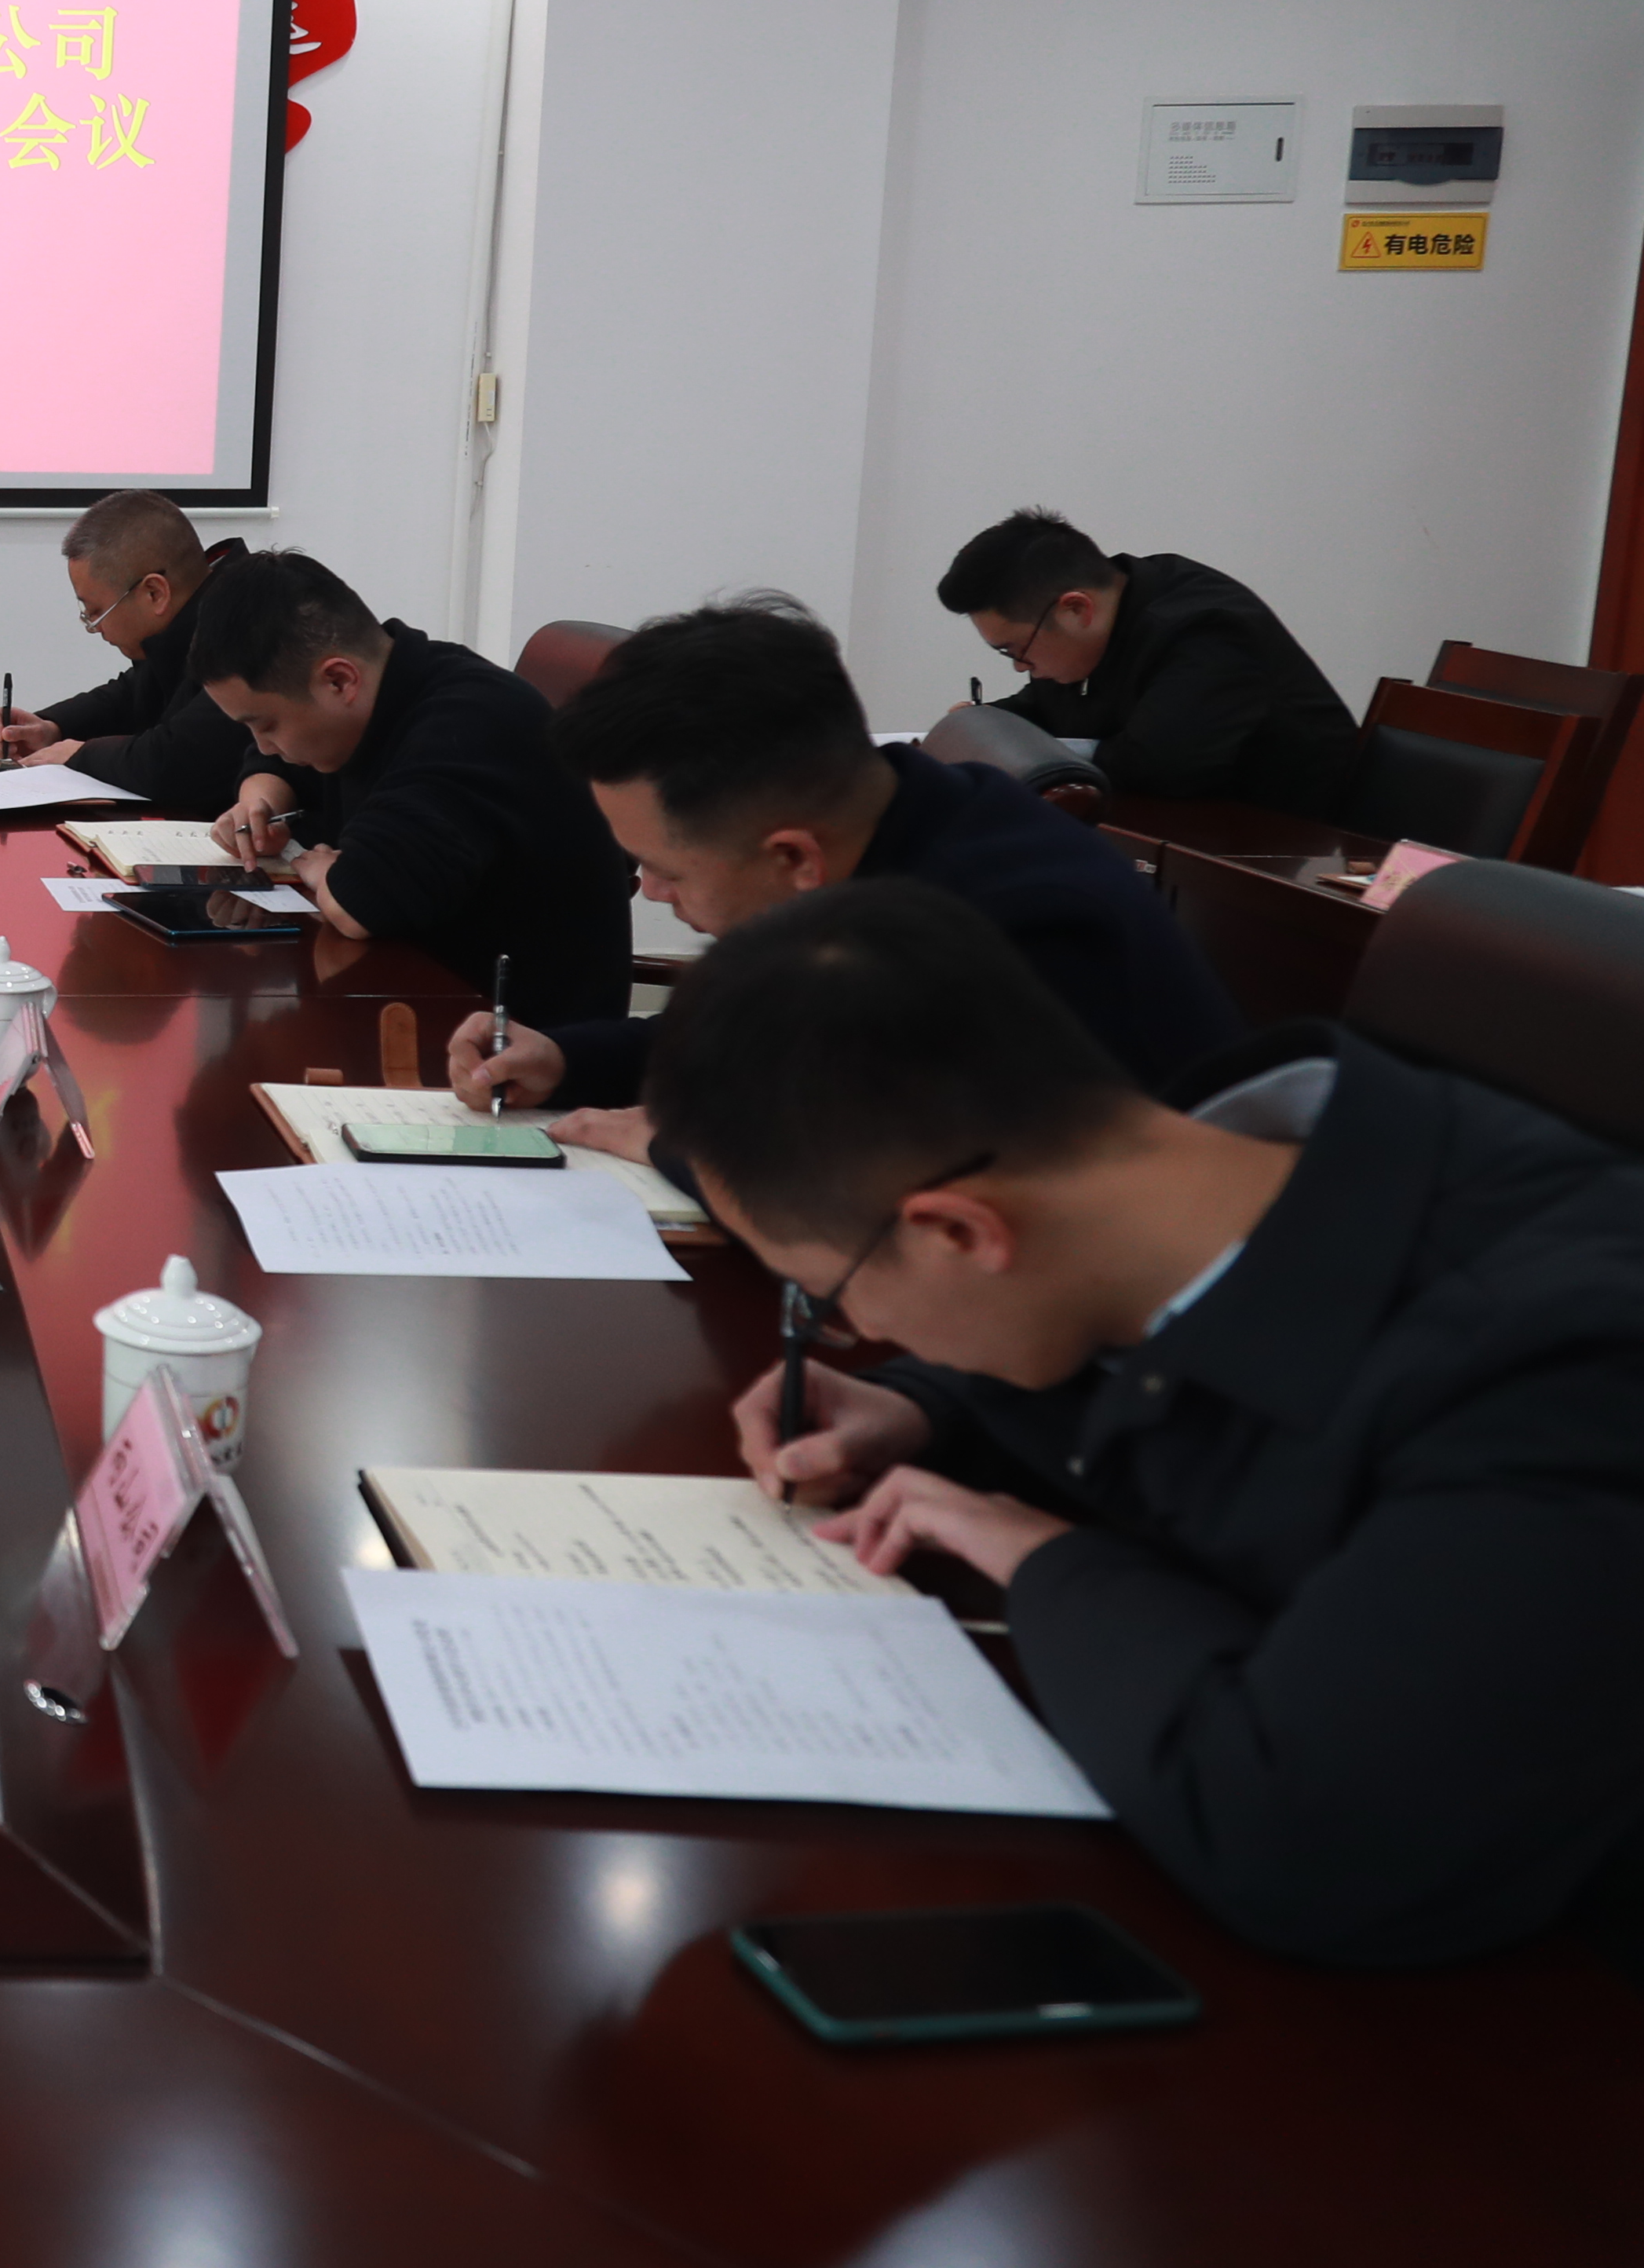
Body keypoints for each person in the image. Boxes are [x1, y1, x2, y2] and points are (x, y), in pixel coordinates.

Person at [648, 881, 1644, 1970]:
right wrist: (923, 1407)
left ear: (958, 1233)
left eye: (828, 1296)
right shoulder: (1204, 1172)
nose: (858, 1333)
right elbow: (1124, 1323)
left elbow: (1305, 1842)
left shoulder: (1563, 1367)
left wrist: (1039, 1556)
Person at [450, 599, 1243, 1158]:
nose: (650, 891)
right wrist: (566, 1059)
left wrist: (683, 1147)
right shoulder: (884, 817)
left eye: (664, 868)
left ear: (795, 859)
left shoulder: (1011, 929)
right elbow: (758, 1043)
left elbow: (883, 1191)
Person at [188, 550, 631, 1020]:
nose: (264, 744)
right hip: (421, 991)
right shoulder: (390, 683)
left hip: (518, 1036)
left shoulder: (467, 725)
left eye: (266, 724)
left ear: (339, 680)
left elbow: (362, 902)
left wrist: (321, 871)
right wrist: (260, 800)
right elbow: (272, 762)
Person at [936, 508, 1359, 817]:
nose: (1019, 666)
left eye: (1015, 649)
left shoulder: (1208, 629)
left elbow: (1156, 767)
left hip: (1308, 856)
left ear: (1076, 609)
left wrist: (1013, 751)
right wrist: (978, 727)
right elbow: (1046, 710)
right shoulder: (1107, 618)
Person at [0, 492, 261, 817]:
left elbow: (179, 762)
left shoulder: (251, 624)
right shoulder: (198, 610)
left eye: (96, 612)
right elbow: (134, 692)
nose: (94, 628)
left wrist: (80, 755)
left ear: (154, 593)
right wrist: (53, 727)